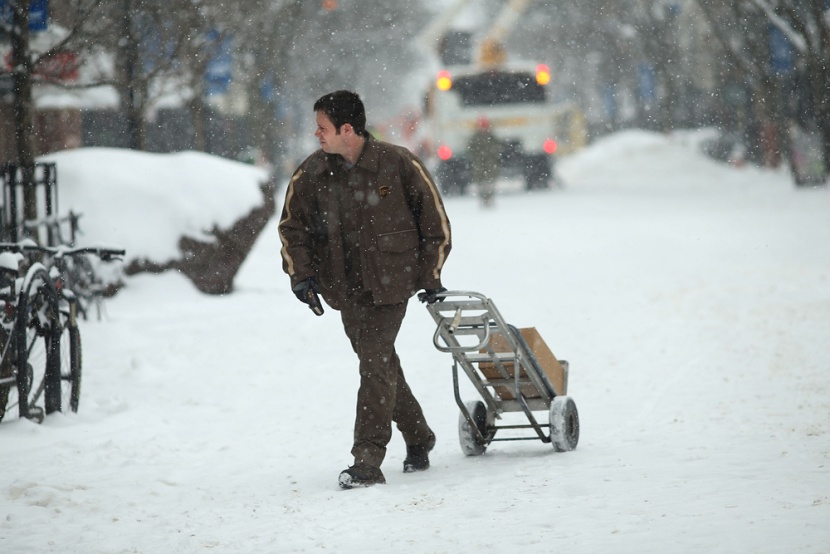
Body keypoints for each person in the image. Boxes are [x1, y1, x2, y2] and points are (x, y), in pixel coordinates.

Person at [277, 90, 452, 489]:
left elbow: (435, 225)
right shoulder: (312, 174)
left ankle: (367, 460)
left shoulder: (398, 164)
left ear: (347, 129)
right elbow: (292, 229)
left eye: (323, 127)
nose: (316, 134)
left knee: (373, 364)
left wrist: (430, 277)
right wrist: (301, 277)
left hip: (391, 286)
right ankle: (420, 435)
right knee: (382, 364)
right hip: (344, 289)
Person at [467, 116, 501, 207]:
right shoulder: (476, 137)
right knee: (480, 182)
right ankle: (483, 199)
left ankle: (490, 198)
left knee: (490, 182)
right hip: (479, 163)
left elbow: (497, 147)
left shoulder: (491, 136)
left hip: (490, 162)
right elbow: (471, 148)